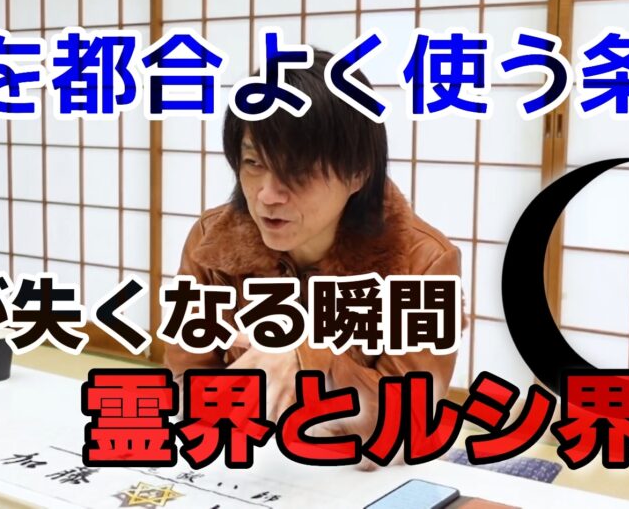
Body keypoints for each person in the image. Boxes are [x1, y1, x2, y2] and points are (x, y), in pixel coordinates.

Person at [165, 49, 462, 457]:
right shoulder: (211, 243)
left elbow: (412, 418)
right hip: (247, 463)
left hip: (355, 471)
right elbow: (186, 385)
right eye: (253, 162)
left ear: (358, 172)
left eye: (299, 171)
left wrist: (309, 361)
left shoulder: (423, 262)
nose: (268, 195)